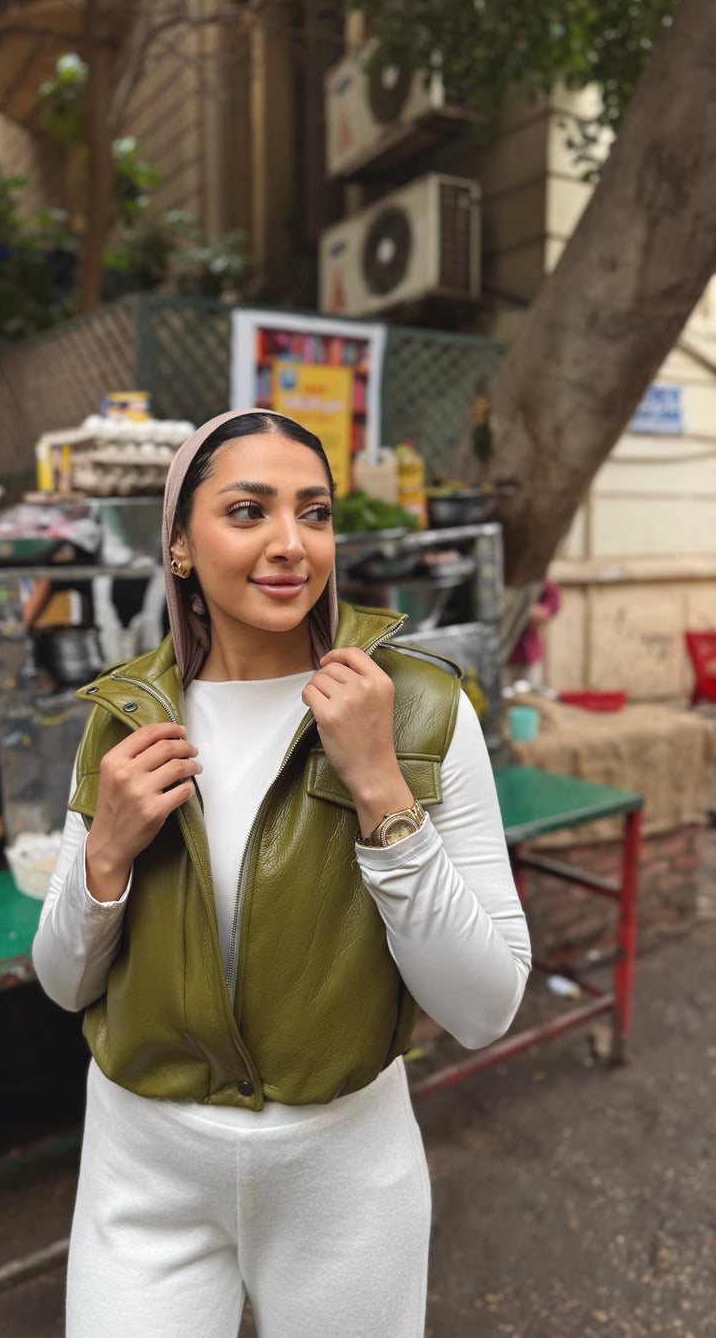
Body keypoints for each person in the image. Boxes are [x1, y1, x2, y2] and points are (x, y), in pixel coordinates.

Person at [32, 410, 531, 1338]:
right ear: (178, 544)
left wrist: (382, 789)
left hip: (345, 1169)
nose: (290, 544)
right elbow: (66, 982)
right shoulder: (125, 719)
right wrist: (105, 852)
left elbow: (486, 1005)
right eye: (248, 510)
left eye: (315, 512)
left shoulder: (420, 709)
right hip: (141, 1166)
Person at [505, 578, 561, 688]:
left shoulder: (534, 575)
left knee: (531, 693)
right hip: (503, 655)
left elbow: (552, 598)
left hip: (528, 651)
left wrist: (542, 611)